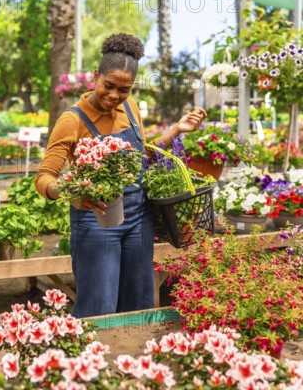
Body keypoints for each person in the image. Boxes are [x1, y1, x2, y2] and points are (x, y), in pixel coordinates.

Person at [35, 33, 207, 318]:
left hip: (138, 219)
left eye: (124, 89)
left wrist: (176, 130)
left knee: (139, 301)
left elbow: (143, 156)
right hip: (95, 220)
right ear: (95, 77)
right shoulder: (72, 119)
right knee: (98, 305)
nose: (114, 95)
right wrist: (71, 194)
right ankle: (90, 360)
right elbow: (43, 178)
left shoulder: (130, 107)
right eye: (109, 85)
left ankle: (134, 360)